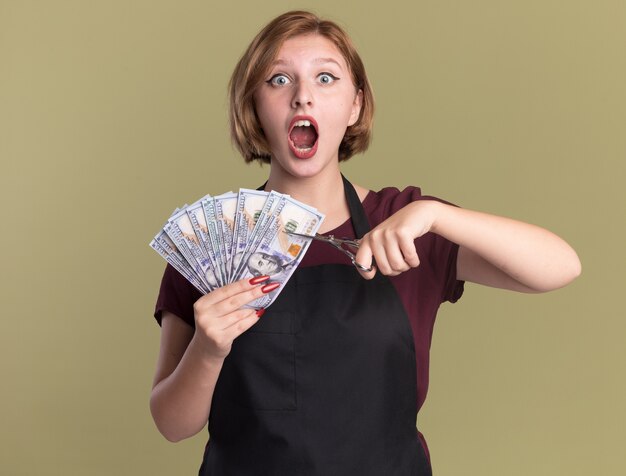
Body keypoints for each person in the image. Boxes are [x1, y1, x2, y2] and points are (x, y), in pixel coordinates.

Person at [150, 10, 581, 475]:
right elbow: (173, 424)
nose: (303, 97)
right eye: (279, 79)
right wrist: (208, 351)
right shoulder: (213, 243)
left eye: (326, 78)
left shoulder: (405, 225)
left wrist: (437, 215)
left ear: (355, 105)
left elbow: (560, 266)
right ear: (254, 105)